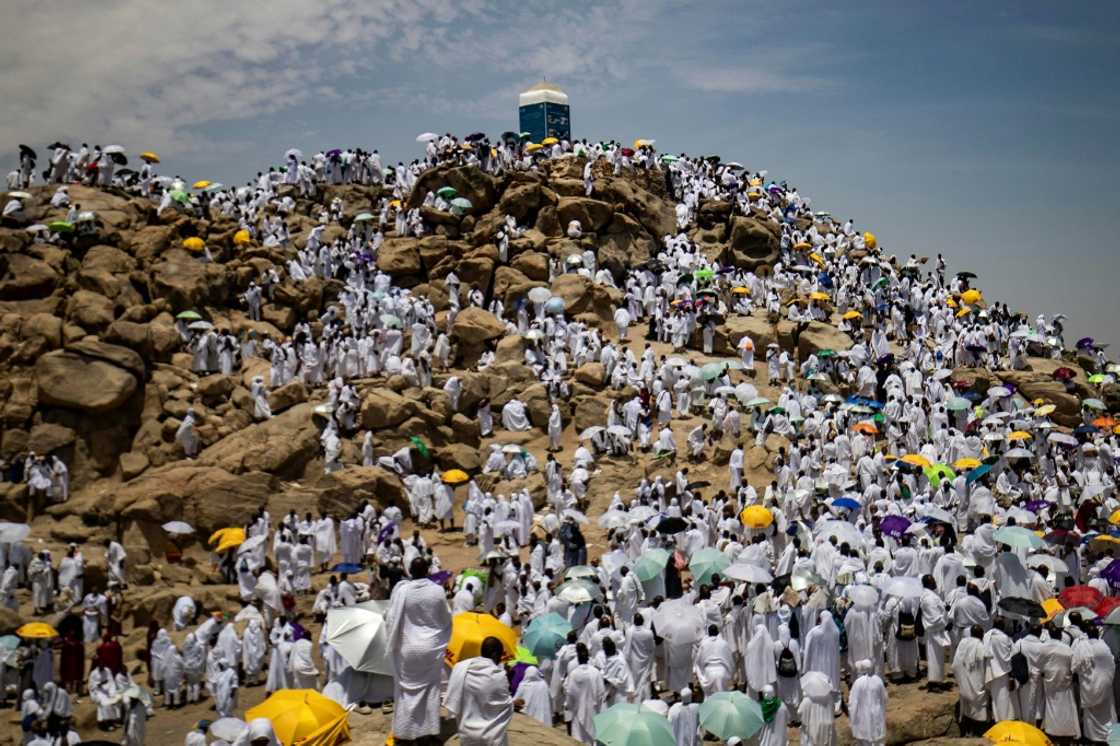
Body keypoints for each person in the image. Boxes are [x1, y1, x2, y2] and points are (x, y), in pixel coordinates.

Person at [385, 557, 452, 743]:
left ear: (409, 571)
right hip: (431, 648)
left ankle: (406, 734)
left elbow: (391, 618)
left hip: (408, 648)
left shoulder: (402, 591)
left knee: (407, 691)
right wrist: (438, 636)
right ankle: (427, 734)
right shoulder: (437, 591)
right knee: (431, 690)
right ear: (429, 570)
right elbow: (446, 619)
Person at [444, 636, 514, 746]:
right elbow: (504, 706)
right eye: (500, 656)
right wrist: (513, 701)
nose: (500, 660)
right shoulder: (498, 676)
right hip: (491, 737)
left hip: (466, 731)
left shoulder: (462, 667)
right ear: (495, 654)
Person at [563, 643, 605, 745]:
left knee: (579, 738)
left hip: (577, 710)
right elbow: (601, 692)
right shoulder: (596, 672)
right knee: (593, 736)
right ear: (588, 658)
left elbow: (570, 693)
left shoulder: (573, 674)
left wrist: (569, 705)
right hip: (593, 710)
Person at [951, 625, 989, 736]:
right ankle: (977, 732)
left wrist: (961, 677)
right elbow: (986, 662)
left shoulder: (963, 643)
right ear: (981, 635)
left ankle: (967, 730)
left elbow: (955, 664)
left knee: (966, 706)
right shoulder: (981, 647)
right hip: (977, 682)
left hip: (964, 682)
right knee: (978, 707)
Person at [847, 659, 887, 746]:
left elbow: (852, 703)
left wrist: (852, 719)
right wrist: (882, 712)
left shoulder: (858, 683)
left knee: (865, 739)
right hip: (877, 714)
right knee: (878, 739)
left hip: (863, 717)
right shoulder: (878, 680)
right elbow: (884, 698)